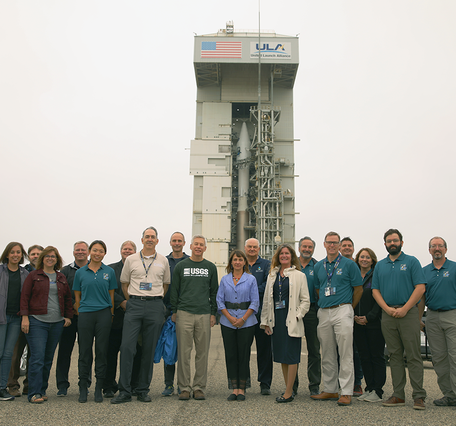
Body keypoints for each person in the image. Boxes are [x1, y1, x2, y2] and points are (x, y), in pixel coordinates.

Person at [111, 227, 170, 404]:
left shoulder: (163, 261)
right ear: (142, 240)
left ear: (157, 241)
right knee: (128, 347)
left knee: (148, 349)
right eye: (147, 237)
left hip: (154, 305)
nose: (150, 239)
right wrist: (133, 300)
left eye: (153, 237)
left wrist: (153, 299)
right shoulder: (131, 259)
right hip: (135, 305)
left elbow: (165, 284)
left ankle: (143, 389)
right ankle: (124, 391)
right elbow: (124, 283)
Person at [372, 229, 426, 410]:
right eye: (389, 241)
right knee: (394, 355)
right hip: (388, 315)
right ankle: (398, 395)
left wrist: (405, 309)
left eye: (395, 240)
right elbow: (375, 291)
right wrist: (387, 309)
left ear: (401, 242)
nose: (392, 243)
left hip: (408, 313)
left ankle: (419, 396)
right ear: (385, 244)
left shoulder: (412, 262)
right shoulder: (380, 265)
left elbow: (420, 288)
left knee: (413, 355)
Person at [311, 232, 363, 406]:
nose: (332, 246)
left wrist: (349, 308)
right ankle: (331, 389)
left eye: (335, 243)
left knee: (345, 351)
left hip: (343, 309)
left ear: (339, 245)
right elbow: (318, 289)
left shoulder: (349, 264)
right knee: (327, 352)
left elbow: (358, 289)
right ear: (324, 244)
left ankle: (346, 391)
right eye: (329, 243)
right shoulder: (319, 266)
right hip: (324, 311)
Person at [20, 246, 73, 403]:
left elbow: (68, 299)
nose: (50, 258)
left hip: (56, 323)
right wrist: (25, 318)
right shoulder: (33, 275)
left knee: (48, 358)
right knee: (37, 357)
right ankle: (33, 393)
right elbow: (25, 297)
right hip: (37, 322)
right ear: (42, 258)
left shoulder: (61, 277)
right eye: (47, 256)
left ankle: (42, 390)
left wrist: (68, 317)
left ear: (57, 259)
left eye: (53, 256)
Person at [170, 235, 218, 401]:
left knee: (202, 353)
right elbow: (174, 290)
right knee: (184, 352)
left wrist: (213, 314)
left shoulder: (210, 267)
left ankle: (199, 387)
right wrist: (174, 311)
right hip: (184, 313)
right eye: (196, 244)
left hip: (204, 313)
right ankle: (184, 387)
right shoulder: (181, 266)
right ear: (190, 246)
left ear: (205, 248)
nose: (198, 247)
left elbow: (214, 292)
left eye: (201, 245)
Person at [260, 243, 310, 403]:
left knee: (292, 356)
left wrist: (298, 315)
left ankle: (289, 392)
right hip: (277, 319)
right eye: (281, 254)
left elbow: (305, 300)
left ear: (292, 256)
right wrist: (265, 322)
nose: (284, 256)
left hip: (291, 319)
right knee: (282, 355)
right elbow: (267, 300)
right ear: (278, 257)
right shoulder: (272, 275)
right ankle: (288, 388)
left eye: (287, 254)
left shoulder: (299, 276)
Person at [73, 240, 117, 403]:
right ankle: (83, 387)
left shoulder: (109, 272)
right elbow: (77, 295)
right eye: (95, 250)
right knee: (84, 351)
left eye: (101, 251)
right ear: (90, 252)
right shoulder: (80, 272)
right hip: (85, 314)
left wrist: (110, 314)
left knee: (101, 351)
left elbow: (111, 294)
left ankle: (99, 387)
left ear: (104, 254)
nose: (97, 253)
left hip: (104, 314)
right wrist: (80, 310)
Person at [217, 250, 259, 401]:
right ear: (231, 262)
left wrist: (242, 319)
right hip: (227, 322)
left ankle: (242, 388)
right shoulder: (224, 280)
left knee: (243, 354)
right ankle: (234, 388)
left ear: (244, 262)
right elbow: (219, 301)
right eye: (235, 259)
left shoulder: (251, 279)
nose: (237, 262)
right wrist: (229, 317)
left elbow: (255, 302)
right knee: (231, 354)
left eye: (240, 259)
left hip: (246, 322)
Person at [103, 240, 141, 399]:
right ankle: (109, 386)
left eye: (130, 249)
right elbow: (107, 289)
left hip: (136, 318)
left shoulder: (140, 269)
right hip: (115, 319)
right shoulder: (111, 269)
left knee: (135, 353)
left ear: (135, 252)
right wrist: (121, 302)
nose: (127, 251)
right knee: (111, 354)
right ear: (120, 251)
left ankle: (133, 385)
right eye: (125, 249)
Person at [421, 237, 456, 407]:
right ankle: (449, 395)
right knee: (439, 358)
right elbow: (421, 297)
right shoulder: (424, 271)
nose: (437, 248)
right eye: (433, 246)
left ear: (445, 249)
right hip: (432, 316)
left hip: (452, 315)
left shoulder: (455, 268)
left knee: (454, 356)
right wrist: (418, 319)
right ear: (429, 250)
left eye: (440, 246)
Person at [7, 244, 43, 398]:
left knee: (34, 355)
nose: (35, 256)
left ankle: (29, 385)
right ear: (28, 256)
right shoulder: (22, 272)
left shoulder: (48, 272)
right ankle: (13, 385)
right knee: (15, 353)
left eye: (38, 254)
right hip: (20, 317)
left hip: (39, 320)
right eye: (32, 254)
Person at [55, 241, 89, 396]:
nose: (80, 252)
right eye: (77, 250)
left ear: (88, 252)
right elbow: (60, 295)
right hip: (69, 318)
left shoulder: (93, 269)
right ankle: (62, 385)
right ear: (73, 252)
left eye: (83, 250)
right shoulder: (65, 271)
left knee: (86, 351)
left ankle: (85, 383)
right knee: (64, 351)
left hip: (88, 317)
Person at [353, 248, 386, 403]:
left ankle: (378, 391)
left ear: (372, 260)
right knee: (364, 357)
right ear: (358, 259)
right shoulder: (354, 276)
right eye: (362, 257)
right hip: (357, 323)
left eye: (367, 257)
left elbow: (380, 299)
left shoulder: (377, 275)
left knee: (376, 356)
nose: (364, 259)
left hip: (373, 324)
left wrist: (369, 317)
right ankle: (369, 388)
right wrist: (354, 316)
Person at [0, 242, 29, 401]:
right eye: (12, 252)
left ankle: (2, 388)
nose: (15, 255)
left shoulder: (24, 273)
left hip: (16, 318)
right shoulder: (0, 271)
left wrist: (24, 316)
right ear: (7, 254)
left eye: (18, 252)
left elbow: (26, 298)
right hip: (1, 317)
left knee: (8, 354)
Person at [244, 238, 273, 395]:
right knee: (244, 349)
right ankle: (244, 381)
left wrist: (248, 291)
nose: (252, 249)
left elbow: (268, 285)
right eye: (249, 247)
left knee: (264, 350)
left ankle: (265, 383)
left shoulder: (267, 265)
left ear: (259, 249)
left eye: (255, 247)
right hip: (245, 314)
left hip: (262, 313)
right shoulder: (240, 263)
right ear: (245, 248)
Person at [162, 232, 189, 396]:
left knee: (183, 350)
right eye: (174, 240)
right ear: (170, 242)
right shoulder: (164, 261)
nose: (177, 243)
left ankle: (182, 384)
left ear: (184, 243)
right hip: (167, 310)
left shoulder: (190, 262)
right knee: (168, 348)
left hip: (186, 310)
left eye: (180, 241)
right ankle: (168, 385)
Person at [297, 237, 321, 396]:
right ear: (299, 248)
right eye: (304, 246)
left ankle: (314, 385)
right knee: (293, 348)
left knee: (314, 349)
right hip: (294, 312)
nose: (307, 249)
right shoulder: (291, 265)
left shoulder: (318, 266)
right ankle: (292, 385)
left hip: (312, 311)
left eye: (310, 247)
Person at [340, 236, 363, 396]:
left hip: (357, 313)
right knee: (339, 350)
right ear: (340, 248)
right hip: (342, 313)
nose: (347, 248)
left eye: (350, 245)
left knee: (356, 350)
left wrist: (351, 309)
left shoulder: (359, 264)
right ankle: (339, 382)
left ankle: (357, 383)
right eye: (344, 245)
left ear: (353, 249)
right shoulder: (335, 266)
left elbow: (359, 290)